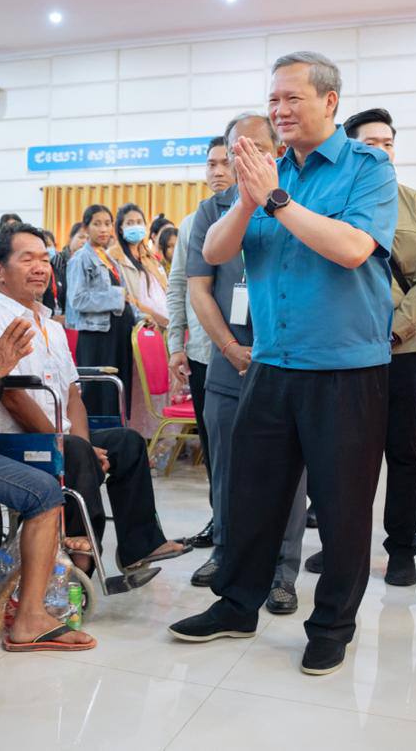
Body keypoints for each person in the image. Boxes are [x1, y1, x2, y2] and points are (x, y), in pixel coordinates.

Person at [170, 51, 398, 677]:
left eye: (292, 98)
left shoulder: (367, 167)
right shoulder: (266, 171)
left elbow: (353, 249)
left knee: (342, 503)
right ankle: (237, 604)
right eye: (273, 99)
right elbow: (216, 253)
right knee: (251, 495)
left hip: (345, 367)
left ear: (330, 101)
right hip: (271, 362)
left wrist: (274, 199)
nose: (279, 110)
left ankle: (331, 626)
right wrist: (248, 199)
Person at [0, 225, 190, 572]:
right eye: (27, 260)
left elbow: (72, 391)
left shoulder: (52, 326)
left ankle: (139, 547)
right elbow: (11, 398)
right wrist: (72, 445)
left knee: (127, 443)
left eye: (44, 259)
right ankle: (84, 560)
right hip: (12, 442)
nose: (40, 267)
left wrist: (82, 443)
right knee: (74, 453)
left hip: (61, 437)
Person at [302, 108, 416, 587]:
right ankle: (341, 547)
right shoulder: (329, 197)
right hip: (341, 351)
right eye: (371, 143)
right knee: (341, 456)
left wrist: (396, 330)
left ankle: (400, 549)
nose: (382, 151)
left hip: (398, 351)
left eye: (389, 142)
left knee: (401, 452)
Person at [181, 114, 306, 614]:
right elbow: (198, 290)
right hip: (227, 366)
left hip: (285, 364)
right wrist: (230, 349)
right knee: (226, 471)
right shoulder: (209, 214)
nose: (242, 156)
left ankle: (283, 570)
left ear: (276, 151)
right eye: (235, 148)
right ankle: (226, 554)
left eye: (255, 146)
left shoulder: (293, 201)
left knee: (287, 476)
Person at [0, 230, 95, 652]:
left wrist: (73, 439)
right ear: (1, 270)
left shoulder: (45, 322)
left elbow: (72, 392)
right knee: (48, 486)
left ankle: (123, 554)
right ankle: (66, 582)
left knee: (118, 446)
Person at [166, 135, 231, 550]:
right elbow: (177, 287)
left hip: (250, 353)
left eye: (226, 162)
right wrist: (176, 344)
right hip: (205, 354)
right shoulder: (193, 223)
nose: (217, 171)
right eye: (211, 164)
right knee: (212, 445)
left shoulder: (266, 213)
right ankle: (220, 522)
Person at [66, 203, 136, 420]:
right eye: (97, 224)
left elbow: (126, 298)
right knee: (100, 394)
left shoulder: (110, 258)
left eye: (107, 224)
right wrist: (116, 297)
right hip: (98, 337)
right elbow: (78, 299)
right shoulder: (81, 258)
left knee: (117, 393)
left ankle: (118, 434)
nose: (103, 229)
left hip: (118, 334)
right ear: (86, 228)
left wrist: (141, 317)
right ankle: (100, 438)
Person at [111, 202, 169, 328]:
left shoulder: (150, 257)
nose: (135, 226)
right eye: (130, 223)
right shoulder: (113, 258)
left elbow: (164, 287)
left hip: (165, 323)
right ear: (120, 228)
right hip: (140, 323)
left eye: (139, 222)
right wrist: (153, 315)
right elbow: (124, 296)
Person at [51, 220, 87, 316]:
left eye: (89, 239)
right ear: (71, 238)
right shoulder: (58, 260)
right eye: (81, 237)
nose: (84, 242)